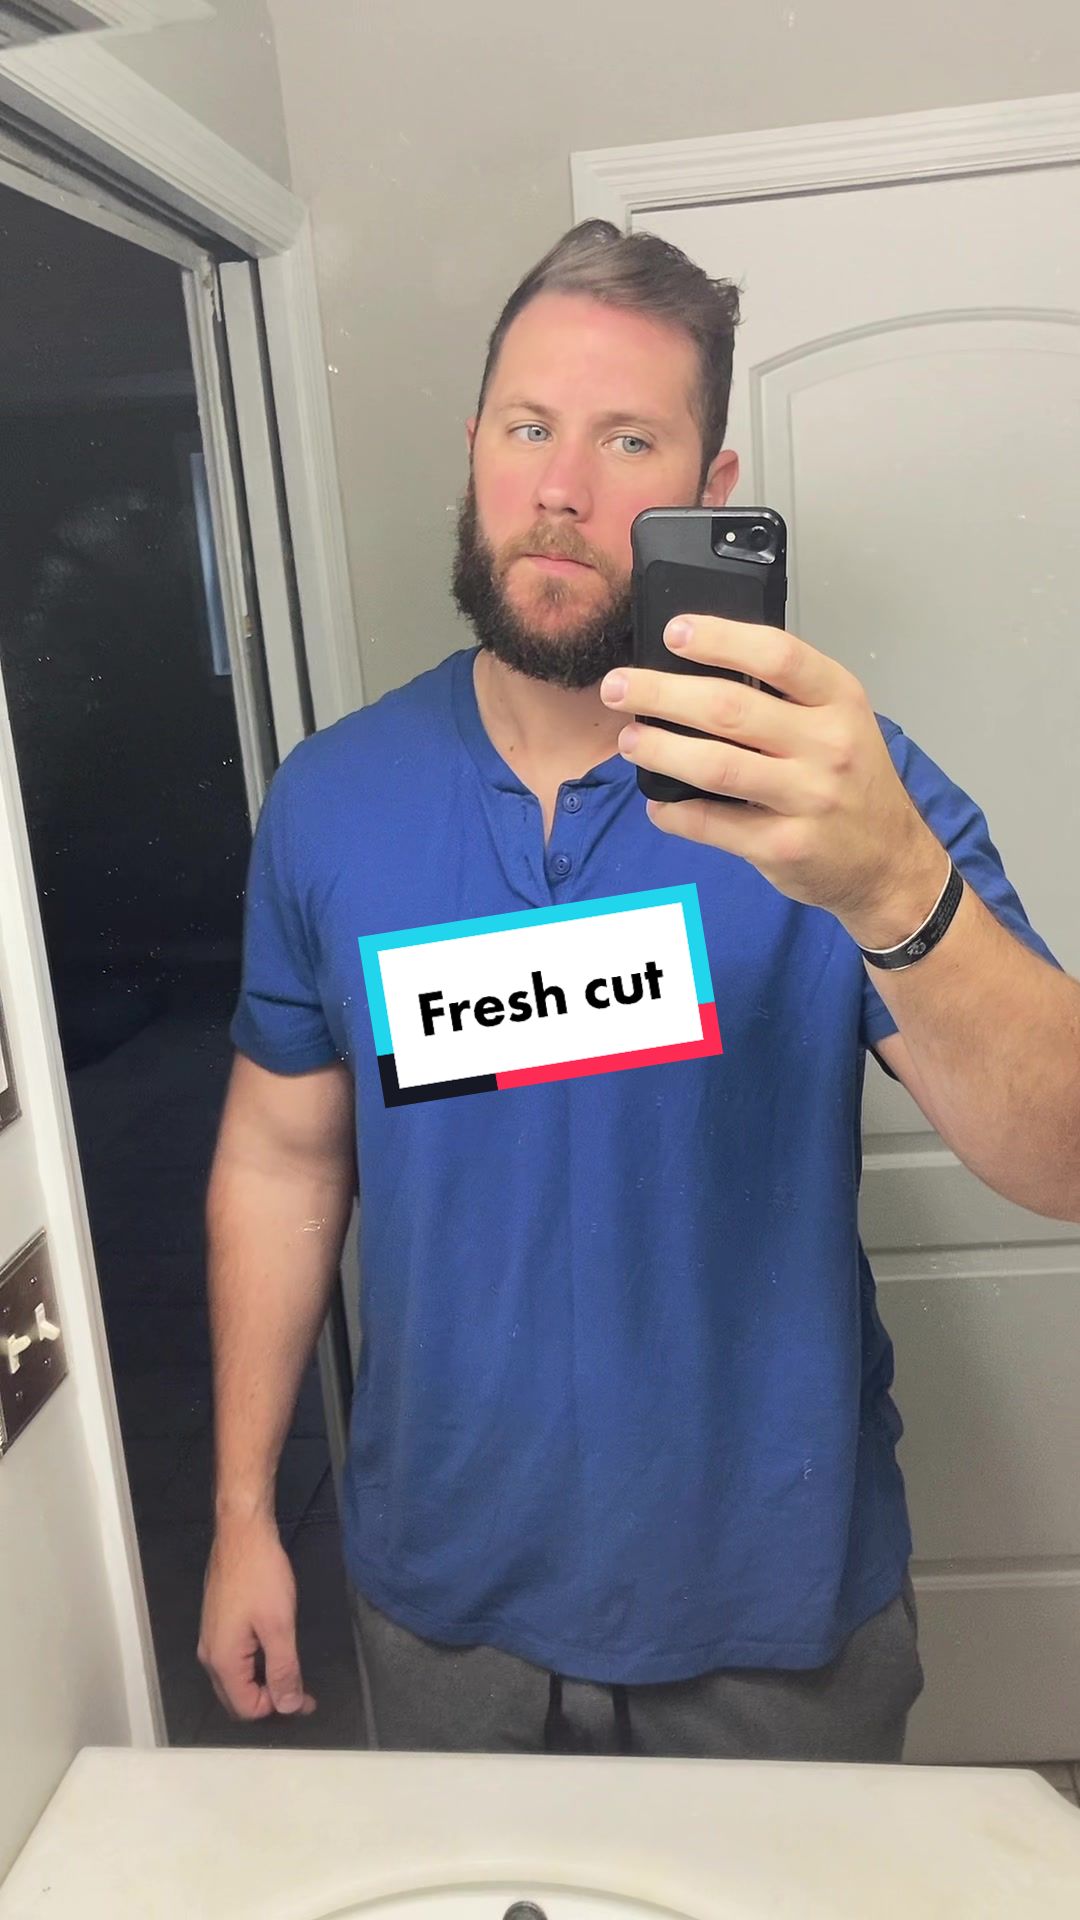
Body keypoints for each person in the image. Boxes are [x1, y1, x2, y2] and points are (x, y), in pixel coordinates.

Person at [198, 219, 1079, 1760]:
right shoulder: (332, 801)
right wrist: (240, 1512)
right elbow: (281, 1162)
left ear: (707, 491)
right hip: (442, 1607)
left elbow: (1063, 1159)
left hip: (774, 1624)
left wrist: (892, 887)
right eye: (528, 427)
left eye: (626, 441)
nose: (562, 486)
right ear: (475, 448)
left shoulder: (837, 796)